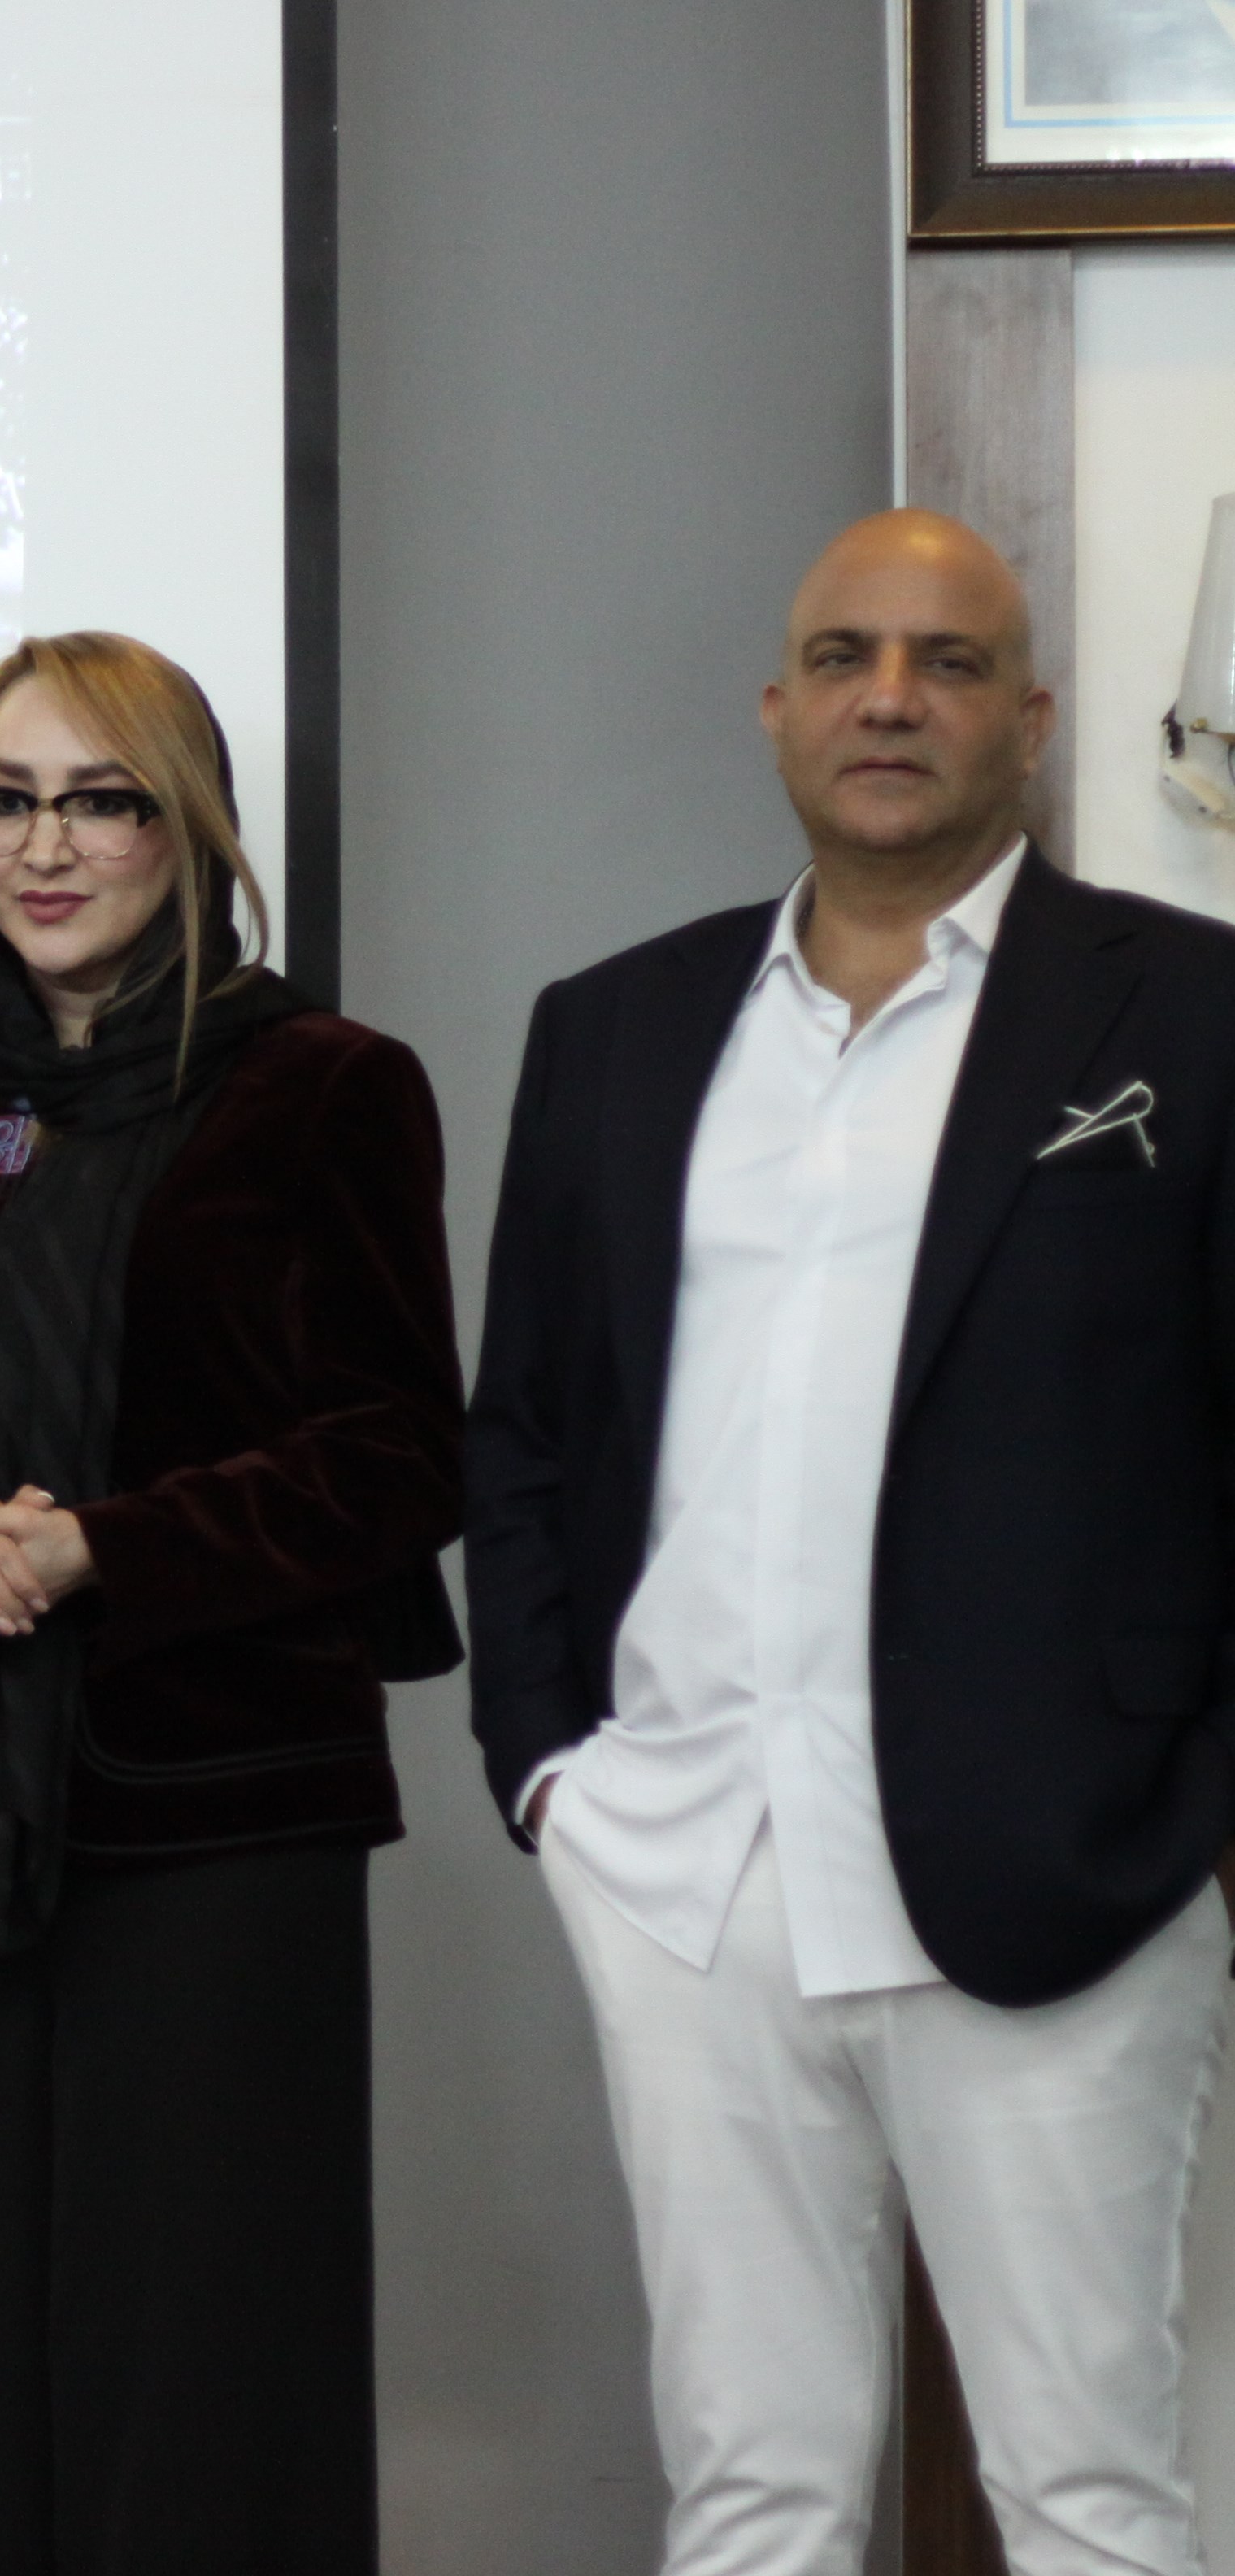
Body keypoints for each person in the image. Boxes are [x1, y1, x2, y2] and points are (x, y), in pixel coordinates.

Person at [468, 508, 1235, 2575]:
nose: (888, 699)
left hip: (1063, 1871)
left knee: (1085, 2493)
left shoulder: (1186, 1014)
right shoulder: (613, 1026)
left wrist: (1198, 1810)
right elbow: (524, 1427)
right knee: (751, 2490)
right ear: (774, 707)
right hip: (685, 1864)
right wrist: (549, 1769)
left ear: (1031, 720)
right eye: (842, 657)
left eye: (946, 661)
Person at [0, 633, 463, 2576]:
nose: (42, 847)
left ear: (187, 826)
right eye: (2, 799)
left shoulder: (324, 1087)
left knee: (206, 2368)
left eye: (99, 800)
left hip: (222, 1815)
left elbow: (394, 1452)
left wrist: (98, 1549)